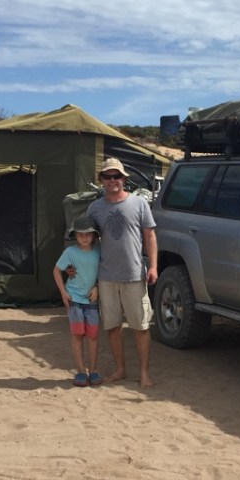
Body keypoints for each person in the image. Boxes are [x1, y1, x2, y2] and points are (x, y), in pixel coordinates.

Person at [86, 157, 158, 387]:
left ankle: (144, 373)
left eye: (116, 176)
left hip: (134, 274)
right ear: (101, 180)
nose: (112, 180)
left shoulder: (139, 203)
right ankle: (120, 370)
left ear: (124, 178)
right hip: (106, 276)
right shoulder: (94, 208)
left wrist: (153, 266)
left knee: (140, 326)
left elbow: (150, 235)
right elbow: (86, 242)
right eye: (107, 176)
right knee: (113, 327)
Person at [53, 216, 103, 387]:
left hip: (92, 300)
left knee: (93, 335)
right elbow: (56, 271)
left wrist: (97, 287)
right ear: (74, 235)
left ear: (94, 235)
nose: (84, 237)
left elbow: (104, 272)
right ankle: (81, 371)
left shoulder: (99, 252)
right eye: (80, 234)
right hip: (74, 299)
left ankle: (93, 370)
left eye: (88, 234)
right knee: (77, 334)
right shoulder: (70, 252)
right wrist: (63, 292)